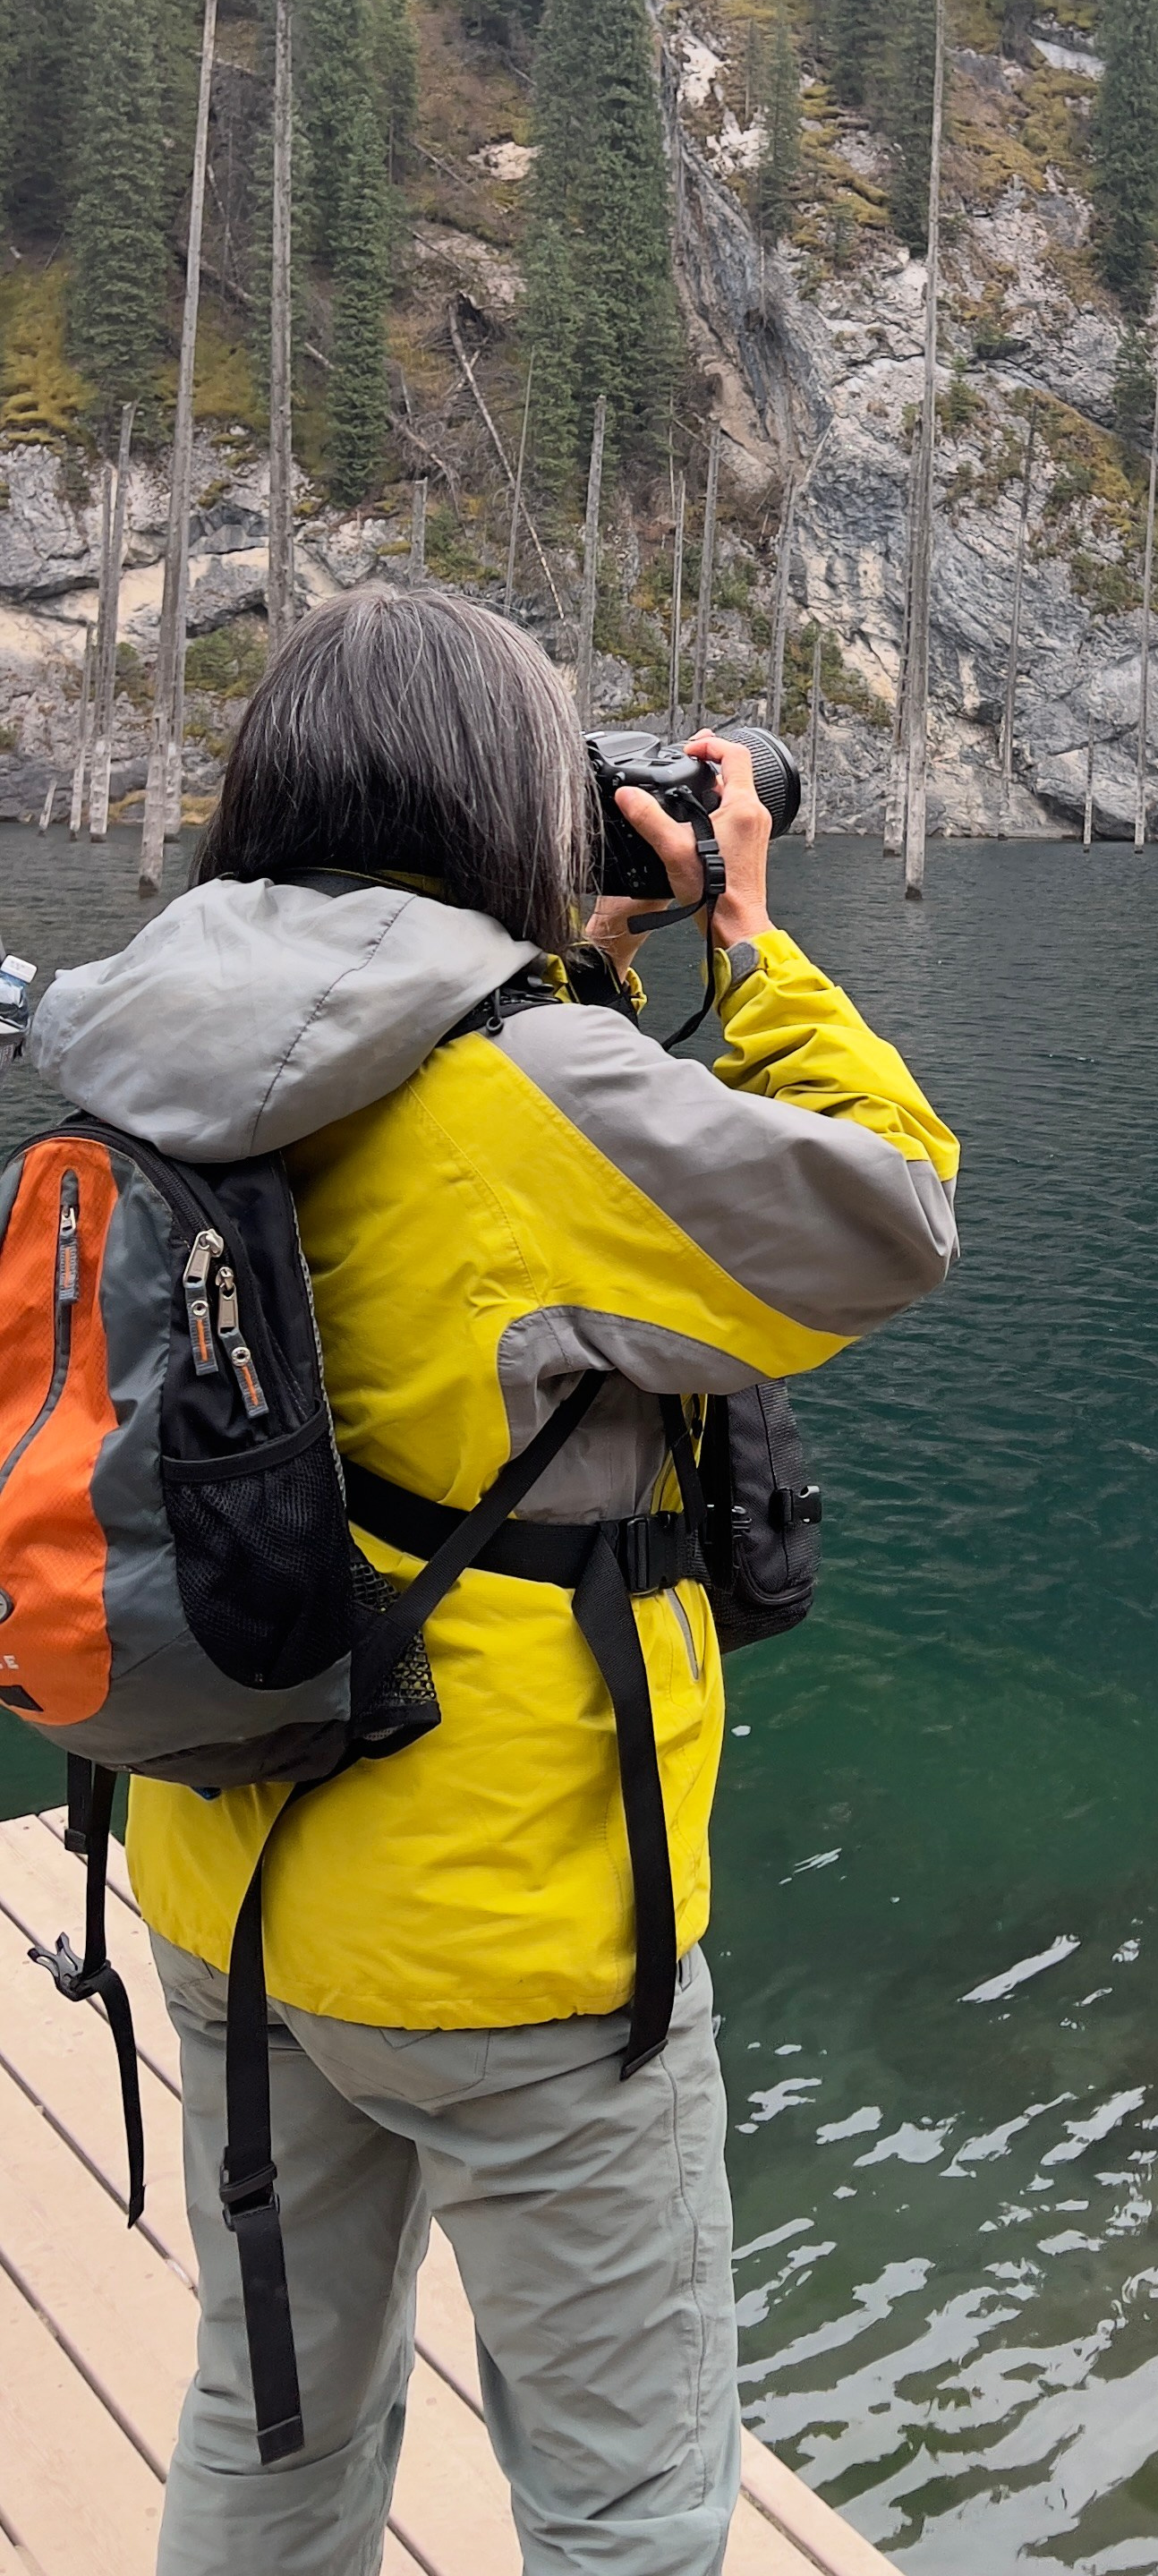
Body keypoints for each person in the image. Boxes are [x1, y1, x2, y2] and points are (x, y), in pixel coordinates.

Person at [28, 583, 958, 2576]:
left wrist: (577, 962)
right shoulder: (534, 1085)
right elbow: (890, 1218)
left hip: (226, 1869)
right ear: (493, 795)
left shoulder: (152, 1025)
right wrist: (751, 940)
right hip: (512, 1932)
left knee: (269, 2417)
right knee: (626, 2504)